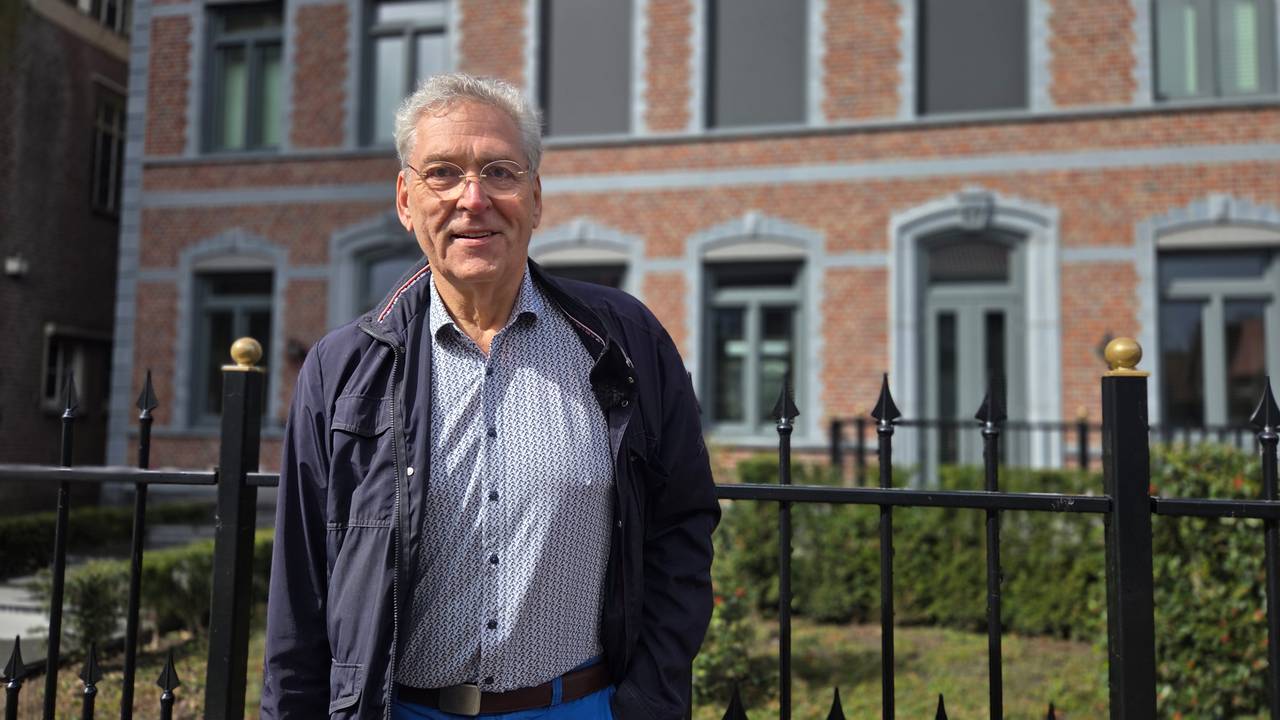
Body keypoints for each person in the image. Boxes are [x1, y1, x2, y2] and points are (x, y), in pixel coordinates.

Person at [261, 73, 719, 720]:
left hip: (580, 709)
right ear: (405, 199)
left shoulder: (625, 342)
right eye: (443, 174)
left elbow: (681, 533)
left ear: (535, 198)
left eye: (500, 173)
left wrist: (644, 704)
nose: (472, 200)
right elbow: (299, 596)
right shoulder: (341, 370)